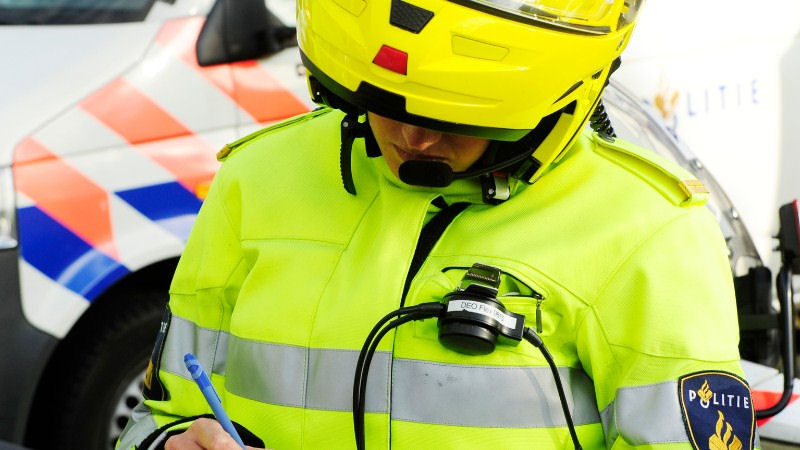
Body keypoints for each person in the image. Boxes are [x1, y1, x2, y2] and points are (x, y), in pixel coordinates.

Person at [118, 1, 759, 449]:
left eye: (456, 113)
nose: (411, 135)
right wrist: (171, 442)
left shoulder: (646, 231)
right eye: (379, 101)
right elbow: (162, 412)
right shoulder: (255, 181)